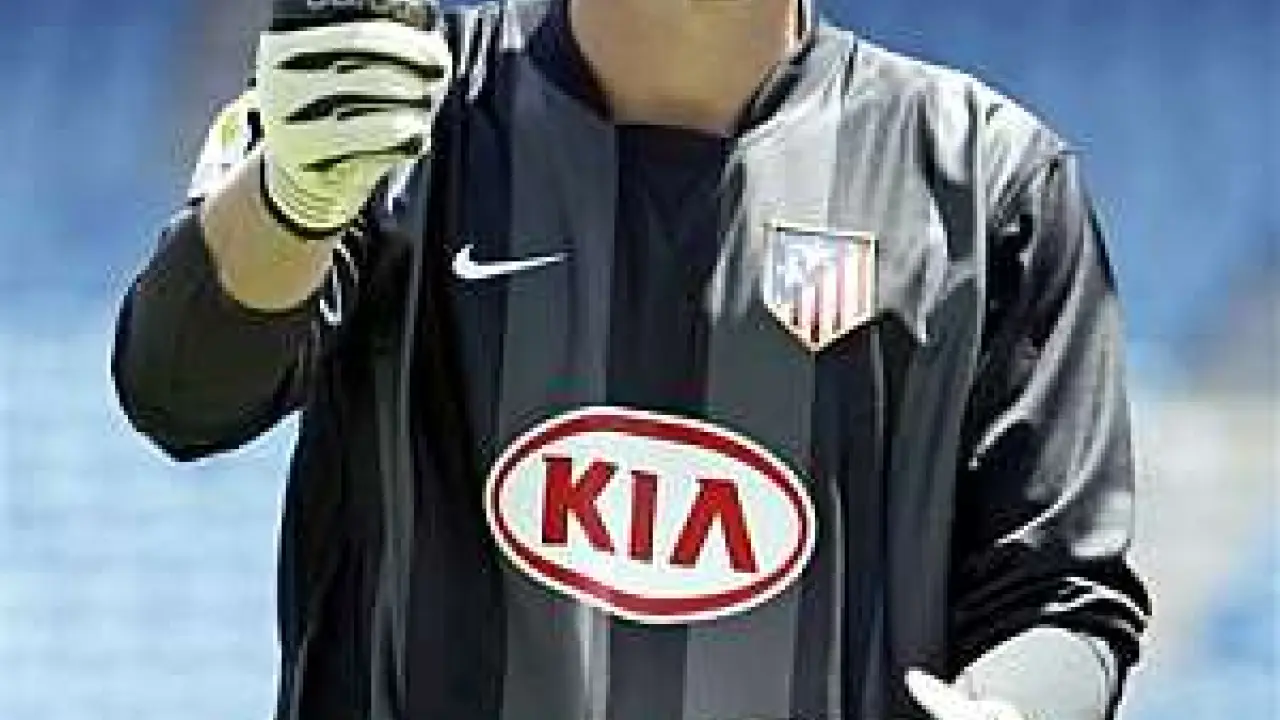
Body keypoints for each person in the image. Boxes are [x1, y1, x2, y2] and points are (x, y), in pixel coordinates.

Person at [111, 0, 1152, 718]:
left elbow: (1061, 602)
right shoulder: (390, 105)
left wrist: (1008, 708)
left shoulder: (990, 183)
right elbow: (178, 393)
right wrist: (293, 197)